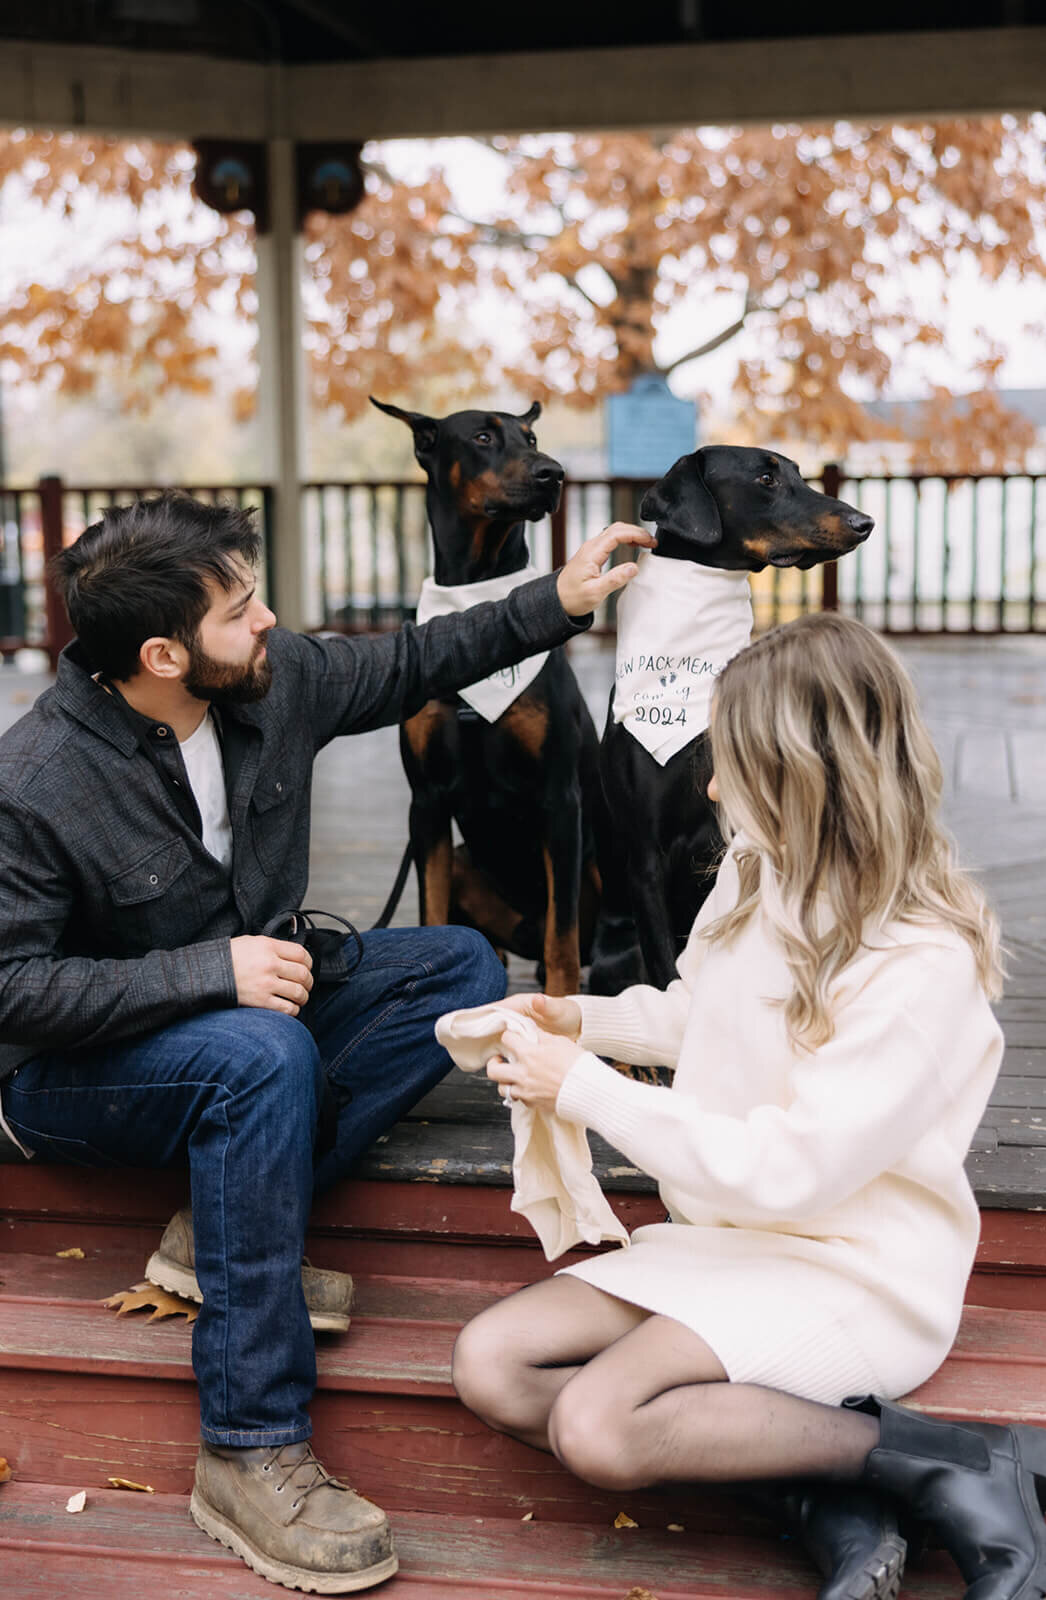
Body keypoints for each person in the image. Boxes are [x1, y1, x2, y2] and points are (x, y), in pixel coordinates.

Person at [0, 491, 650, 1594]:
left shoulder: (268, 679)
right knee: (265, 1058)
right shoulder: (35, 780)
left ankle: (216, 1232)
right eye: (239, 609)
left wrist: (558, 598)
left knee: (450, 963)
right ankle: (249, 1448)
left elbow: (410, 660)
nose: (267, 622)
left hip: (252, 1020)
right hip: (75, 1077)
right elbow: (13, 990)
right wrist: (213, 973)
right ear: (161, 653)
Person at [452, 612, 1046, 1600]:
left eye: (725, 759)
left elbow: (792, 1168)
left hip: (852, 1268)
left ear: (797, 771)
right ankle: (822, 1488)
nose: (705, 784)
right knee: (491, 1362)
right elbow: (706, 1016)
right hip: (731, 1240)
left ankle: (957, 1461)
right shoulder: (756, 868)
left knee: (598, 1425)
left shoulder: (921, 959)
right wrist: (578, 1018)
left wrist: (586, 1091)